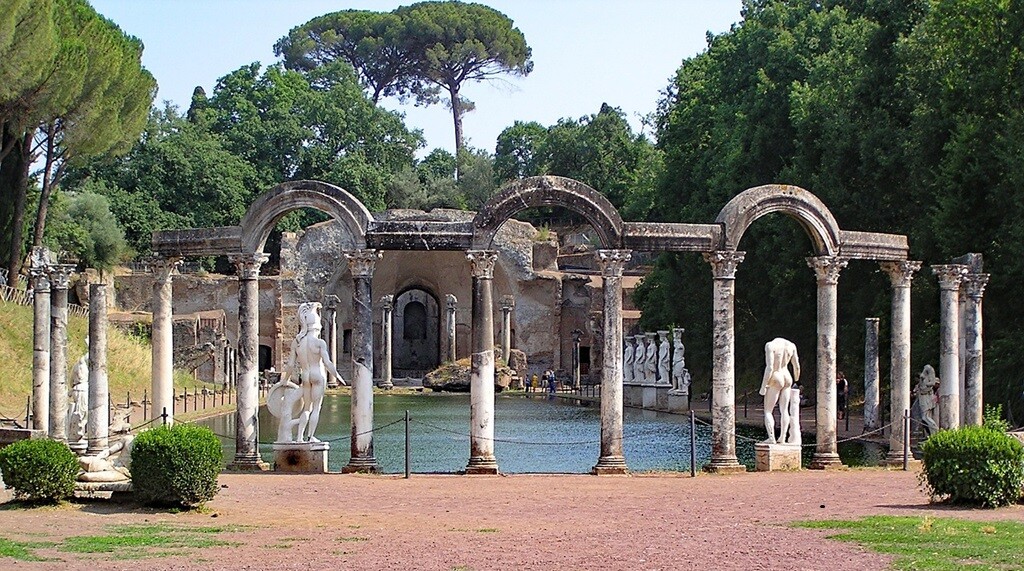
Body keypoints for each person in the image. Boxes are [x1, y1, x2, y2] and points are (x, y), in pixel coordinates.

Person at [268, 301, 347, 443]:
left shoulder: (297, 342)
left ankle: (299, 438)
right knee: (316, 408)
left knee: (306, 408)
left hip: (305, 376)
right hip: (318, 375)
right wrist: (338, 377)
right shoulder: (319, 343)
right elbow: (328, 363)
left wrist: (285, 380)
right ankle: (310, 437)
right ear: (317, 326)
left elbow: (290, 365)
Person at [760, 337, 800, 444]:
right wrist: (796, 379)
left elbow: (769, 368)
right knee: (784, 410)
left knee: (768, 411)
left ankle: (771, 438)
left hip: (776, 376)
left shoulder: (770, 345)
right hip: (787, 376)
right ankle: (783, 436)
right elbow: (797, 366)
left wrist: (763, 386)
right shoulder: (791, 345)